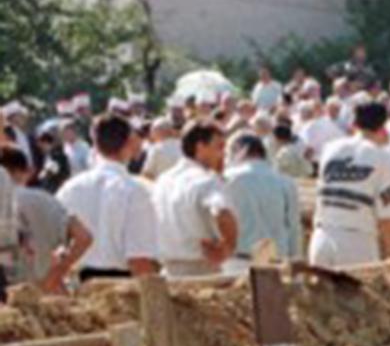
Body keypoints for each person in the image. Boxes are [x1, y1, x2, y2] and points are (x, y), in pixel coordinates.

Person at [61, 114, 160, 280]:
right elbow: (139, 259)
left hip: (78, 285)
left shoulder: (70, 188)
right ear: (130, 142)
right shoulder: (135, 191)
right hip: (121, 286)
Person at [309, 99, 390, 267]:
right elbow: (389, 219)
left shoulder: (330, 149)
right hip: (357, 243)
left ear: (353, 123)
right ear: (383, 127)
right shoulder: (383, 158)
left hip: (321, 238)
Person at [152, 122, 239, 278]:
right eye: (219, 147)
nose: (223, 154)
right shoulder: (207, 180)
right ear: (200, 147)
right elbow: (221, 210)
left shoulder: (163, 180)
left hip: (168, 272)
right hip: (201, 272)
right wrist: (228, 247)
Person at [1, 147, 89, 293]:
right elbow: (84, 237)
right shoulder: (43, 200)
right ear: (25, 171)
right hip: (42, 291)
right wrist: (57, 273)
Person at [226, 133, 302, 262]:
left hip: (237, 259)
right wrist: (295, 260)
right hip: (276, 261)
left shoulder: (227, 179)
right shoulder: (285, 182)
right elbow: (293, 227)